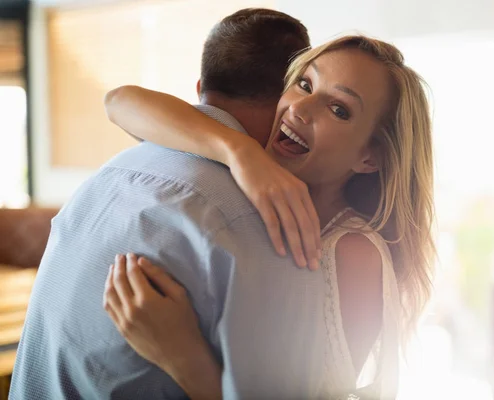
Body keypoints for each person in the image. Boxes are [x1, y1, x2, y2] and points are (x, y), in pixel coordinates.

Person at [9, 9, 322, 400]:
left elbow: (119, 100)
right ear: (285, 97)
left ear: (199, 86)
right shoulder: (264, 225)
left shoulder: (116, 169)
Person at [102, 35, 436, 399]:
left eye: (338, 109)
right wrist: (238, 151)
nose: (301, 109)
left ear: (370, 157)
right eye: (304, 84)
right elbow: (119, 102)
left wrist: (180, 354)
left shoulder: (352, 251)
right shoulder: (245, 178)